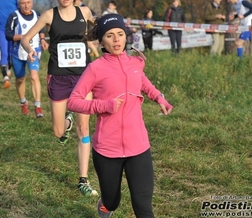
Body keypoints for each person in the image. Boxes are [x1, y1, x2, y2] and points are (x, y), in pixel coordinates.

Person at [67, 13, 173, 218]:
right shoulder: (95, 69)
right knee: (112, 202)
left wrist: (159, 97)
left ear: (126, 37)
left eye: (120, 34)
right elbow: (73, 101)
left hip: (138, 146)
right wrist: (103, 105)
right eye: (109, 35)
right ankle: (105, 205)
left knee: (143, 207)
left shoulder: (135, 63)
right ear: (102, 41)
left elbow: (143, 82)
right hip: (107, 149)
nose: (116, 40)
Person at [20, 0, 97, 196]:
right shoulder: (49, 15)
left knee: (85, 128)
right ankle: (67, 119)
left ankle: (83, 180)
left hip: (84, 76)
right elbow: (26, 38)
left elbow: (99, 32)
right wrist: (30, 49)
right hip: (58, 76)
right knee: (58, 132)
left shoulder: (85, 12)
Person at [5, 0, 47, 117]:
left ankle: (38, 106)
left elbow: (42, 28)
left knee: (34, 76)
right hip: (18, 52)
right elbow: (8, 35)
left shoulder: (37, 14)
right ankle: (23, 102)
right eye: (23, 3)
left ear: (32, 3)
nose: (26, 5)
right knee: (20, 79)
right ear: (19, 4)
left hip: (34, 50)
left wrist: (43, 39)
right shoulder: (14, 16)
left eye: (28, 3)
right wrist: (24, 37)